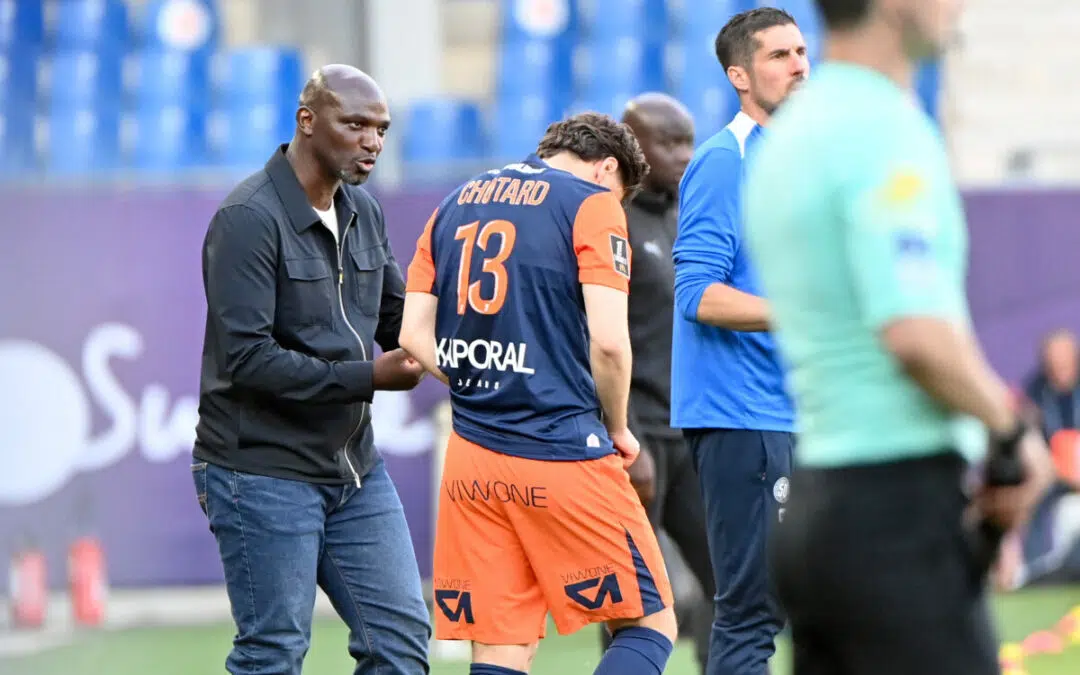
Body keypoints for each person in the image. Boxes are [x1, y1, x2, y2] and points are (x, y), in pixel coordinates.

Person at [742, 0, 1056, 672]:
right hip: (894, 519)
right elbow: (915, 332)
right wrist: (1010, 431)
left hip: (820, 512)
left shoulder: (791, 138)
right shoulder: (883, 128)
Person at [399, 112, 679, 675]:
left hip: (472, 457)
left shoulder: (456, 201)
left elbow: (411, 336)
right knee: (650, 622)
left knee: (503, 647)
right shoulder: (591, 203)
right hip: (561, 447)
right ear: (607, 169)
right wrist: (620, 428)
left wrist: (482, 380)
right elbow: (609, 344)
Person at [191, 65, 431, 675]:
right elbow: (248, 360)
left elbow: (399, 319)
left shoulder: (364, 212)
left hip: (354, 470)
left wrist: (478, 340)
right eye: (355, 124)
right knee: (273, 652)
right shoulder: (248, 217)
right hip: (261, 472)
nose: (372, 141)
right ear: (307, 121)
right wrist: (369, 378)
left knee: (400, 645)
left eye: (381, 128)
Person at [669, 8, 807, 675]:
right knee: (752, 610)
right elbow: (697, 293)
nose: (799, 64)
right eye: (780, 55)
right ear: (739, 76)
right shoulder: (725, 160)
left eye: (802, 51)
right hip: (742, 413)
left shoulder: (793, 162)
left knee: (812, 602)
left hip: (789, 410)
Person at [590, 92, 714, 674]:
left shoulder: (686, 215)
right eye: (669, 142)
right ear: (631, 145)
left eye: (689, 140)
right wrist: (625, 433)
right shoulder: (607, 220)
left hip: (691, 430)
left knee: (734, 582)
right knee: (630, 600)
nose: (684, 155)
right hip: (636, 438)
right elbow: (595, 337)